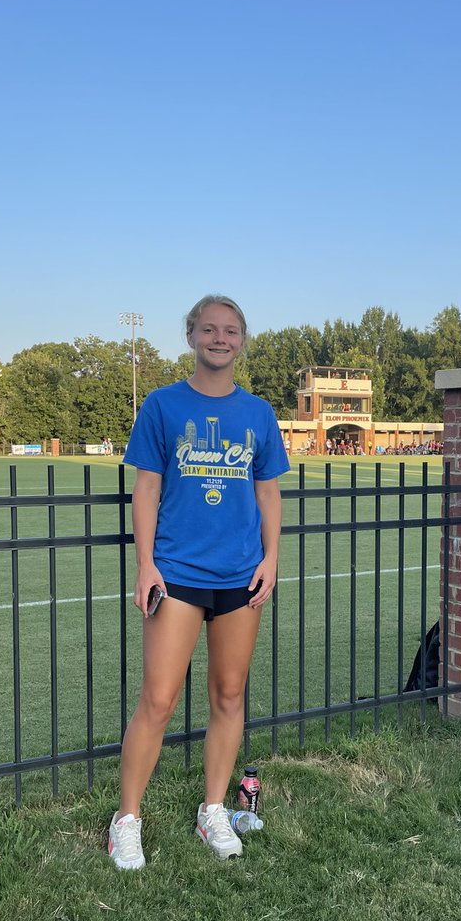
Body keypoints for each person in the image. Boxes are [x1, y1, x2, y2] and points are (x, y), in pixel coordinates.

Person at [108, 295, 289, 869]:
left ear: (242, 340)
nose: (220, 338)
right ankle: (126, 820)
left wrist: (272, 558)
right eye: (209, 329)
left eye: (230, 330)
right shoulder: (162, 406)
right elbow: (146, 487)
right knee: (158, 700)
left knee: (229, 695)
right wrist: (146, 563)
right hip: (179, 573)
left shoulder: (258, 413)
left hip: (240, 574)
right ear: (190, 336)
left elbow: (267, 491)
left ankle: (213, 809)